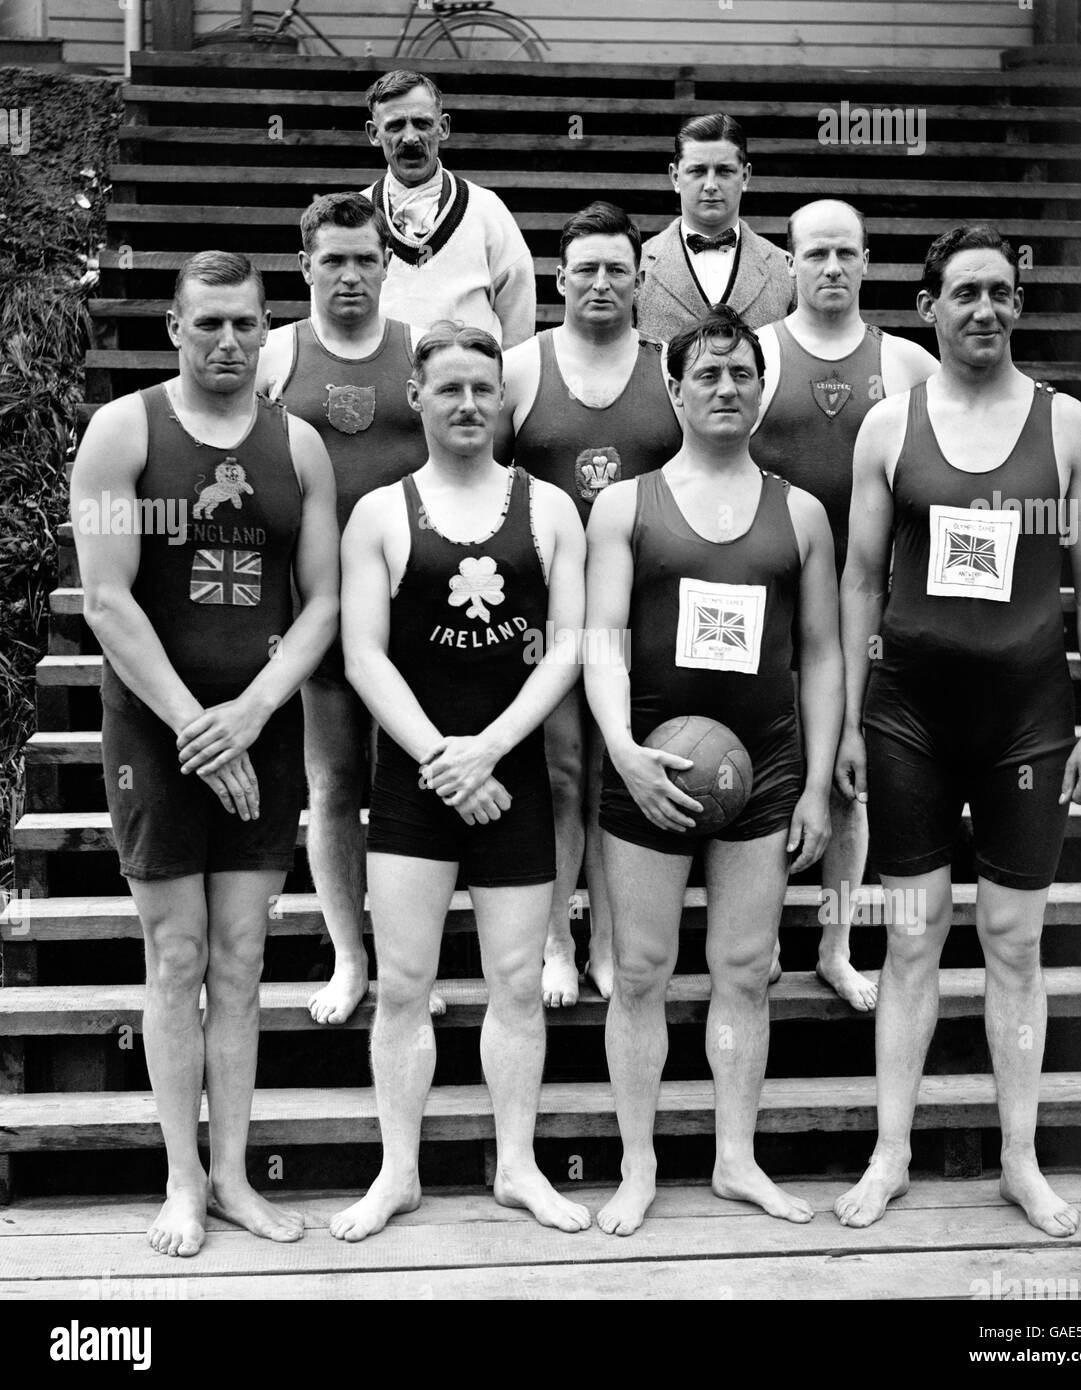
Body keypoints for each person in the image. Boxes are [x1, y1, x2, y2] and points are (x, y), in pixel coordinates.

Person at [835, 224, 1081, 1236]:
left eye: (1000, 292)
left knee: (1011, 941)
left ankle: (1017, 1157)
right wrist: (843, 721)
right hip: (909, 715)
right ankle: (889, 1153)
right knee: (911, 941)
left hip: (1027, 719)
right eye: (963, 293)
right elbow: (859, 579)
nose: (984, 310)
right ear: (925, 307)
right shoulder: (888, 427)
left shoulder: (1066, 427)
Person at [71, 251, 340, 1256]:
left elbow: (319, 601)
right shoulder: (119, 433)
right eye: (207, 323)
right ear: (174, 330)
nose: (227, 340)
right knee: (175, 952)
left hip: (259, 729)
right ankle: (180, 1180)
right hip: (156, 727)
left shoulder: (299, 447)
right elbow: (106, 599)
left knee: (241, 956)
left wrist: (257, 707)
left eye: (244, 324)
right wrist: (197, 722)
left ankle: (231, 1174)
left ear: (267, 331)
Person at [584, 304, 843, 1236]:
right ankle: (639, 1165)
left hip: (764, 765)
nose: (726, 389)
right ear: (675, 388)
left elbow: (821, 653)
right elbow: (599, 637)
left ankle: (736, 1160)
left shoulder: (801, 513)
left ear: (762, 388)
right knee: (643, 969)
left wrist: (814, 783)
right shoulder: (626, 504)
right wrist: (618, 745)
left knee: (743, 969)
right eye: (707, 375)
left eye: (741, 375)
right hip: (651, 757)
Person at [330, 323, 589, 1241]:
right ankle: (397, 1171)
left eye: (485, 387)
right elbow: (362, 655)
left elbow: (569, 649)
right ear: (417, 396)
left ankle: (516, 1166)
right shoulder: (380, 513)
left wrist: (489, 750)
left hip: (511, 776)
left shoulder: (551, 509)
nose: (470, 404)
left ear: (506, 399)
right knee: (403, 984)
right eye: (450, 389)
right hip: (411, 782)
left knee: (517, 984)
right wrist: (445, 756)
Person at [750, 198, 939, 1012]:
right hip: (767, 599)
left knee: (849, 783)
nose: (831, 268)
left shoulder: (906, 365)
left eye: (846, 254)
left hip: (868, 605)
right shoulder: (755, 353)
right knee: (765, 772)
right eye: (816, 253)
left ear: (867, 263)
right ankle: (754, 943)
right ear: (789, 261)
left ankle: (835, 945)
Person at [258, 192, 434, 1026]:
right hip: (319, 606)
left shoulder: (418, 352)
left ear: (389, 263)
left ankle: (410, 962)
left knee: (414, 783)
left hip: (419, 608)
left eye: (366, 258)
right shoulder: (276, 357)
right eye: (333, 259)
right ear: (306, 267)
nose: (352, 274)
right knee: (331, 783)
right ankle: (350, 957)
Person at [501, 201, 683, 1008]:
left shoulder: (670, 370)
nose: (601, 283)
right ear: (558, 278)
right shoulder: (519, 369)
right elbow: (488, 488)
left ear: (641, 279)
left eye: (618, 269)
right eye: (586, 270)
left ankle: (610, 937)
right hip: (544, 616)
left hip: (643, 612)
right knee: (562, 772)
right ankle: (553, 940)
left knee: (618, 772)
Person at [358, 69, 535, 347]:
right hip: (383, 383)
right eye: (395, 126)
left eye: (422, 123)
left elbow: (518, 319)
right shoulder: (357, 216)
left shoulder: (486, 210)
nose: (410, 138)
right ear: (373, 133)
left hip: (468, 383)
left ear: (443, 127)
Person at [635, 113, 792, 342]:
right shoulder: (638, 266)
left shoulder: (784, 269)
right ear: (675, 177)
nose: (710, 185)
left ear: (745, 176)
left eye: (724, 171)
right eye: (697, 171)